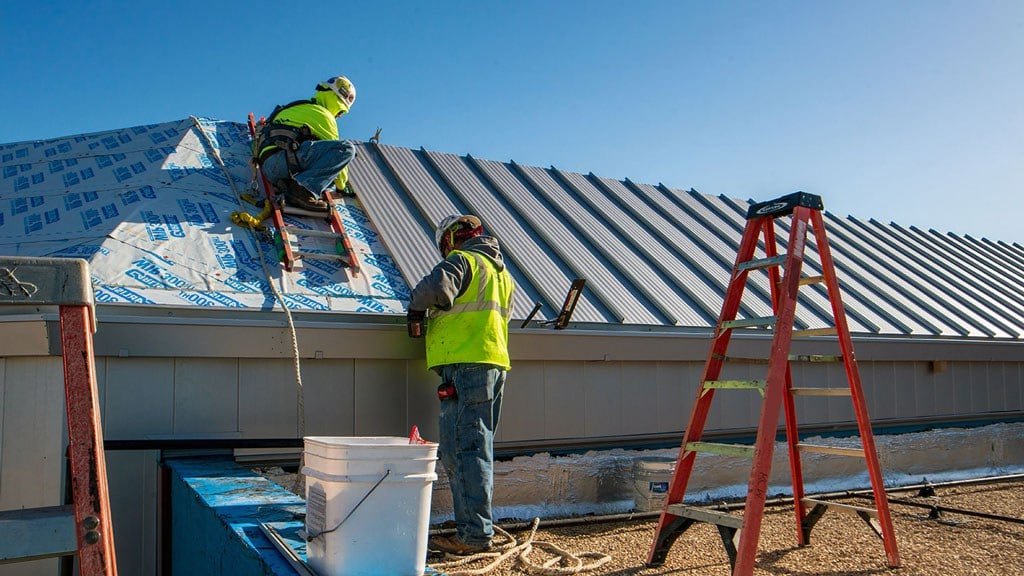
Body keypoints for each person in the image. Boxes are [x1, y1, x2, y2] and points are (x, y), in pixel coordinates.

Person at [406, 214, 514, 555]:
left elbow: (435, 289)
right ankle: (475, 529)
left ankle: (474, 537)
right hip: (492, 364)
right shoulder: (500, 273)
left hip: (467, 366)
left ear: (450, 239)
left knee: (464, 452)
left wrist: (414, 312)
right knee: (475, 450)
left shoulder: (463, 260)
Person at [253, 75, 357, 212]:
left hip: (267, 167)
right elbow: (339, 156)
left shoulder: (297, 106)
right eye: (342, 110)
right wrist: (342, 187)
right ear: (336, 100)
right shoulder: (324, 115)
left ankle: (291, 186)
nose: (340, 115)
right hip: (284, 162)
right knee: (347, 149)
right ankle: (302, 191)